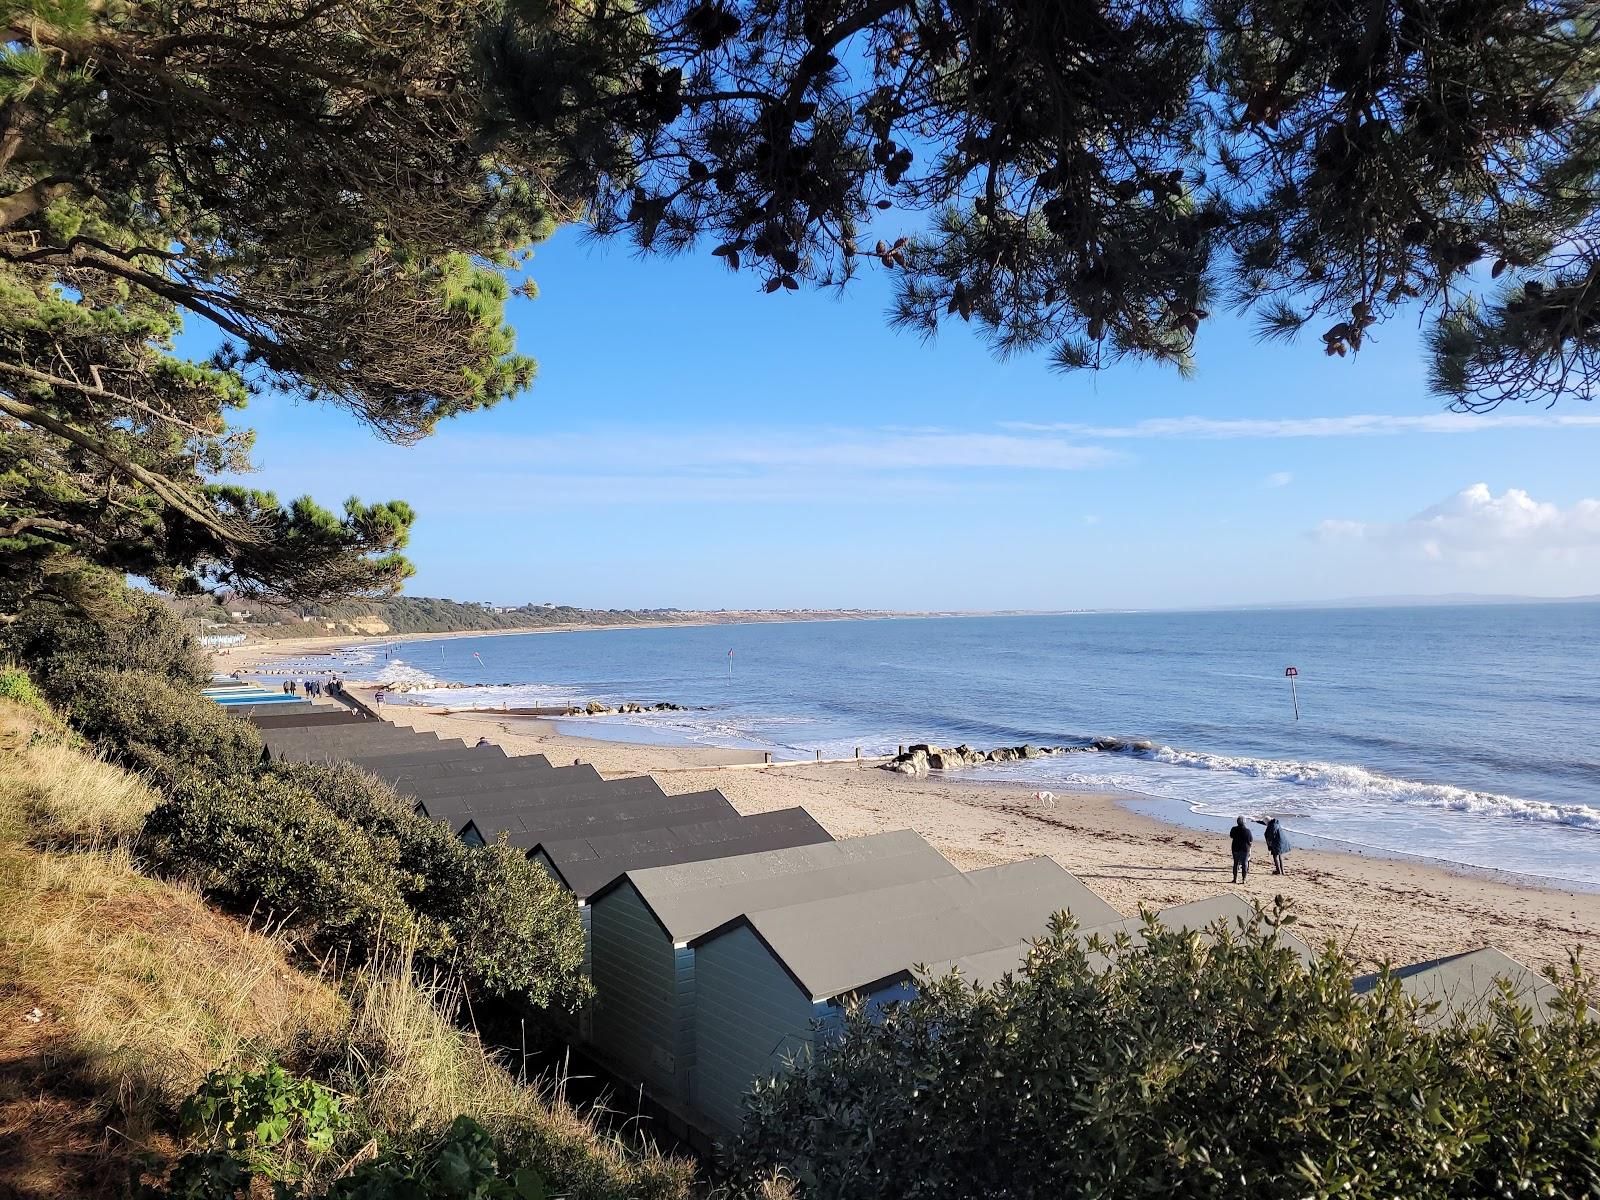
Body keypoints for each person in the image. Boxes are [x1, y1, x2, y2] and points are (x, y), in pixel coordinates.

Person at [1229, 816, 1254, 883]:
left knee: (1235, 863)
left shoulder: (1234, 829)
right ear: (1245, 822)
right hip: (1245, 849)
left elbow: (1231, 836)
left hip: (1235, 848)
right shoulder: (1247, 831)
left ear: (1237, 822)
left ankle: (1235, 879)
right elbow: (1251, 840)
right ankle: (1244, 879)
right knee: (1245, 863)